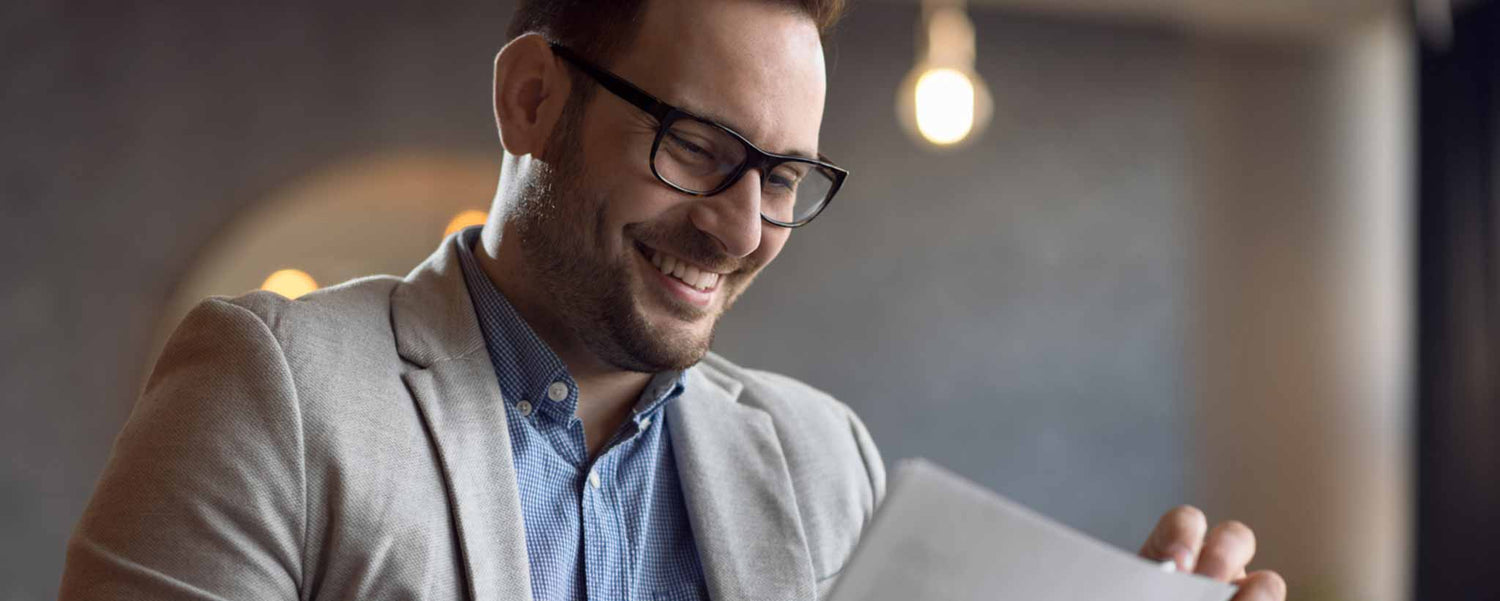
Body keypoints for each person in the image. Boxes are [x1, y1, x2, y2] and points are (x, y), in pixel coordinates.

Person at [59, 0, 1287, 599]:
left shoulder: (825, 457)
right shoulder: (271, 388)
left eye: (784, 177)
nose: (742, 227)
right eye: (697, 147)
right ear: (534, 100)